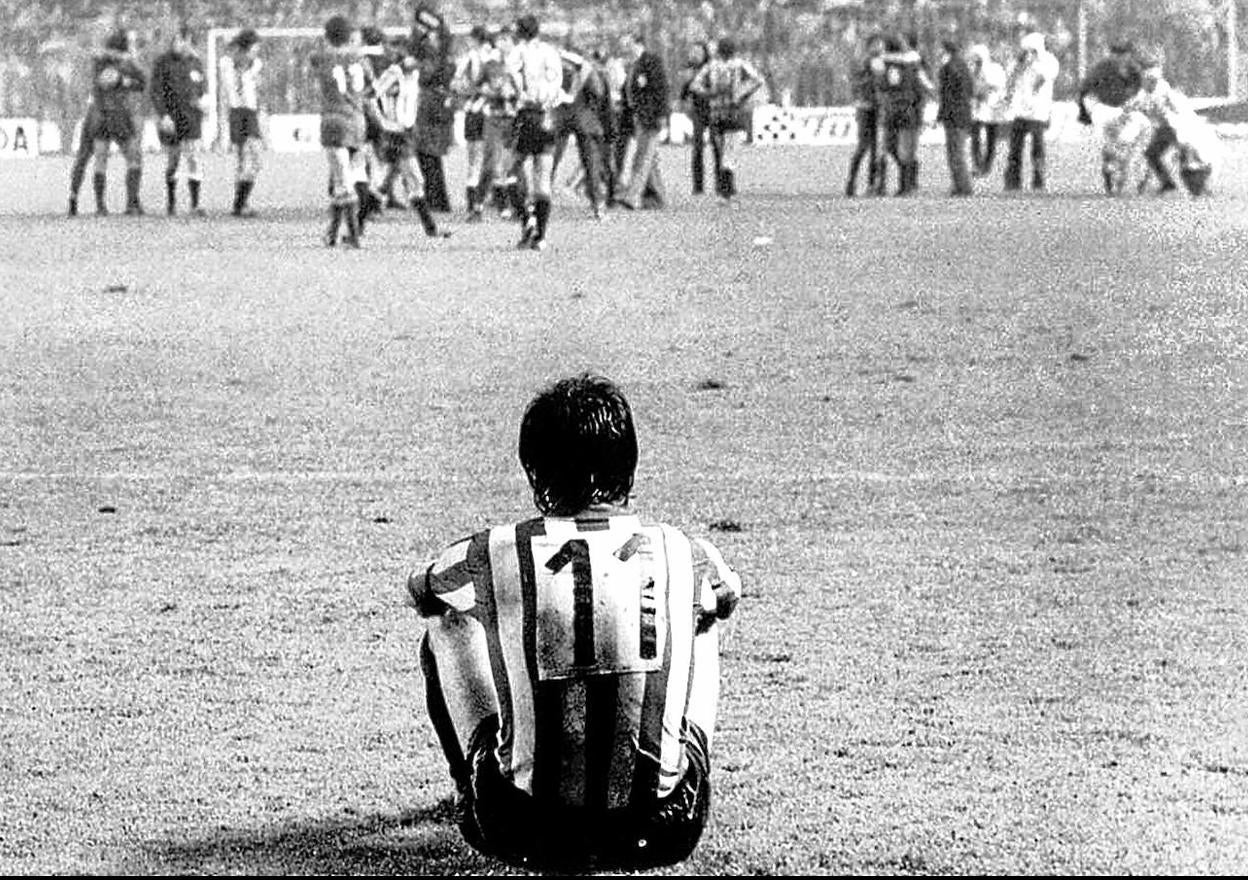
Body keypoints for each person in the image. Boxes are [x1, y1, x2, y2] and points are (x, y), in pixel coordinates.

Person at [408, 373, 741, 871]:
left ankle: (467, 785)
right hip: (663, 830)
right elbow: (728, 595)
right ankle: (661, 770)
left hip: (519, 830)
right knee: (704, 619)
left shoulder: (493, 550)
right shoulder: (684, 549)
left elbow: (420, 590)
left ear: (535, 468)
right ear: (627, 461)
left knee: (446, 624)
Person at [371, 39, 452, 238]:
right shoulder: (393, 74)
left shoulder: (414, 76)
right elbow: (371, 96)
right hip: (394, 134)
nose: (414, 61)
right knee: (414, 179)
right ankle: (431, 229)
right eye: (411, 56)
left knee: (385, 180)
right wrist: (382, 121)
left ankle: (356, 227)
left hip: (406, 133)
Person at [507, 13, 563, 251]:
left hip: (527, 116)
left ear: (520, 32)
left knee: (509, 173)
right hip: (549, 118)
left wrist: (520, 94)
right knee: (543, 180)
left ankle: (527, 221)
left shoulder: (518, 52)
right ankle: (541, 237)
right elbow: (557, 83)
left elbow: (512, 77)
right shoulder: (551, 52)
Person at [313, 15, 369, 247]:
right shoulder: (361, 58)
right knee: (346, 178)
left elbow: (316, 59)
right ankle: (332, 234)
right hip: (357, 122)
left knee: (344, 182)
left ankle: (354, 236)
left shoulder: (321, 57)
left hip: (335, 122)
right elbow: (370, 88)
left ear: (327, 36)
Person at [689, 37, 765, 203]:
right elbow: (758, 79)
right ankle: (726, 191)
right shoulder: (739, 64)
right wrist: (742, 93)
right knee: (729, 152)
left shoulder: (712, 66)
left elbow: (694, 85)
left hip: (716, 112)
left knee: (721, 149)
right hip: (733, 110)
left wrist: (709, 93)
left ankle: (724, 190)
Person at [150, 25, 209, 216]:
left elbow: (201, 88)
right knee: (174, 159)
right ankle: (171, 202)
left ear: (189, 41)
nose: (180, 44)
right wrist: (163, 115)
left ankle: (195, 204)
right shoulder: (163, 63)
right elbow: (156, 91)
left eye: (183, 40)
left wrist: (203, 102)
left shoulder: (195, 63)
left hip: (191, 117)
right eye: (176, 40)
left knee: (192, 156)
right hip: (171, 117)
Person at [88, 30, 147, 216]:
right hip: (116, 115)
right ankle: (128, 204)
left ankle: (103, 206)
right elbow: (142, 81)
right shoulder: (124, 64)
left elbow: (143, 82)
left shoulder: (99, 62)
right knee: (132, 158)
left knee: (102, 159)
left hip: (103, 115)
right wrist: (126, 80)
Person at [615, 31, 670, 210]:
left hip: (651, 117)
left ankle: (633, 196)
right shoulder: (635, 65)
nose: (624, 47)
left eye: (627, 43)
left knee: (642, 157)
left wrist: (661, 115)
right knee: (649, 159)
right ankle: (657, 198)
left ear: (637, 43)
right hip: (638, 117)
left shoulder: (651, 61)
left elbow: (661, 90)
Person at [1122, 52, 1186, 195]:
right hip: (1164, 129)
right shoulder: (1145, 92)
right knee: (1152, 154)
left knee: (1180, 154)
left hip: (1173, 127)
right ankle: (1167, 183)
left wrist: (1176, 115)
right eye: (1147, 80)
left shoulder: (1162, 89)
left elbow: (1175, 107)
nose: (1148, 82)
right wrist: (1126, 108)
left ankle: (1194, 182)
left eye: (1152, 80)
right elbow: (1135, 104)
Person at [1002, 31, 1059, 192]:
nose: (1028, 53)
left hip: (1038, 112)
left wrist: (1034, 63)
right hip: (1019, 110)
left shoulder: (1049, 60)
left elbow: (1045, 78)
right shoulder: (1019, 63)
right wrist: (1020, 64)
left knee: (1037, 149)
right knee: (1015, 149)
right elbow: (1010, 79)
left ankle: (1038, 181)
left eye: (1031, 50)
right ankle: (1012, 181)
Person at [218, 27, 264, 217]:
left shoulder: (256, 64)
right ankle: (240, 204)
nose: (257, 50)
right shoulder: (227, 64)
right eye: (255, 46)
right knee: (246, 159)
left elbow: (258, 91)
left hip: (250, 113)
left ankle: (239, 204)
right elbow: (228, 90)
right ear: (248, 47)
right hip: (238, 112)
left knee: (253, 160)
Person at [453, 24, 492, 219]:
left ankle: (474, 206)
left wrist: (470, 90)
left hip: (475, 112)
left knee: (475, 160)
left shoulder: (469, 58)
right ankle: (488, 204)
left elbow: (456, 84)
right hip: (491, 112)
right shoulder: (494, 56)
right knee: (491, 159)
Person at [844, 33, 884, 197]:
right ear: (871, 46)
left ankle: (860, 183)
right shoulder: (872, 61)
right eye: (877, 44)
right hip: (869, 107)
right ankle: (865, 183)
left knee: (871, 147)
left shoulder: (863, 61)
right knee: (868, 147)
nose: (880, 47)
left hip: (866, 106)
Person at [936, 37, 974, 197]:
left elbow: (946, 95)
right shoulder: (964, 66)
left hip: (953, 115)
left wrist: (941, 114)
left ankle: (962, 187)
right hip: (964, 113)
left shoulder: (948, 68)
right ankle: (961, 185)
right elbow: (970, 89)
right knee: (958, 151)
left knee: (955, 152)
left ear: (945, 50)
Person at [679, 41, 714, 196]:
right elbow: (684, 91)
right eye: (694, 52)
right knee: (697, 148)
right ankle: (698, 186)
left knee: (717, 147)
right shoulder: (689, 70)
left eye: (699, 52)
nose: (696, 55)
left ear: (705, 53)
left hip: (713, 110)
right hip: (698, 111)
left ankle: (721, 184)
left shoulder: (711, 68)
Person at [967, 44, 1007, 177]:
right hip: (976, 107)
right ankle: (977, 164)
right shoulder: (971, 69)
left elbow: (1000, 85)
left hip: (992, 106)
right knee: (975, 137)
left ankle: (987, 165)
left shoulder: (995, 68)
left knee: (991, 138)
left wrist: (986, 87)